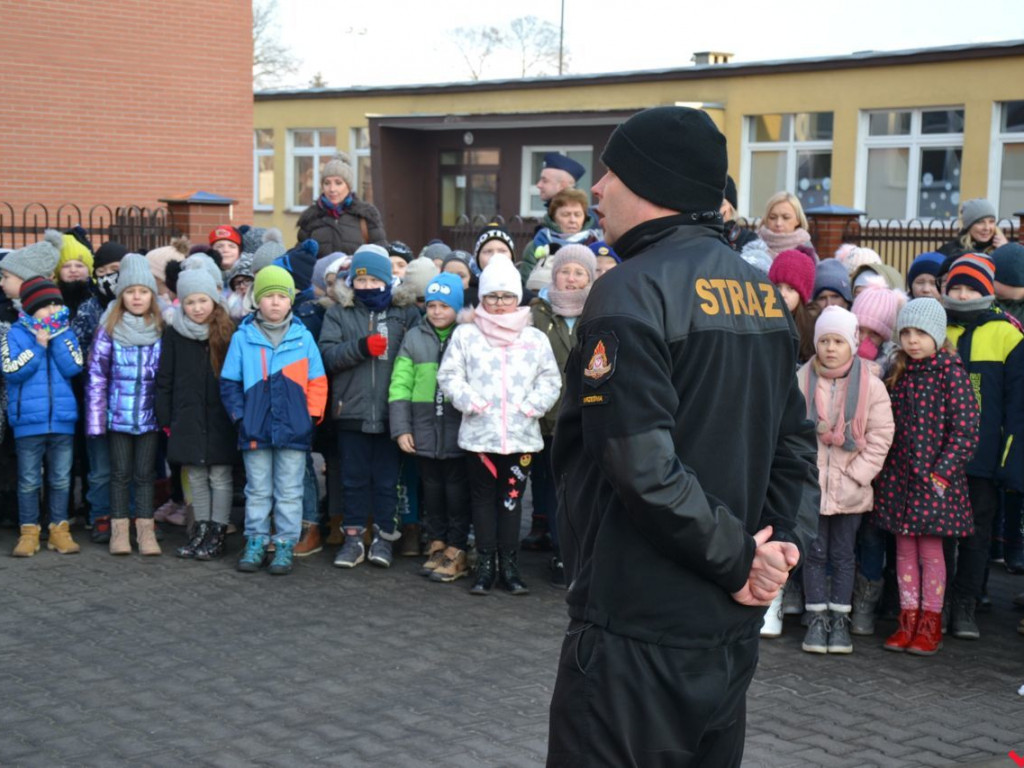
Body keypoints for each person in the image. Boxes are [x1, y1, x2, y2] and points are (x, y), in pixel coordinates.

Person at [546, 106, 818, 767]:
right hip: (727, 631)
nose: (597, 189)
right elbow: (796, 445)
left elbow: (640, 464)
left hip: (636, 627)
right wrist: (781, 543)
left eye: (612, 172)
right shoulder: (759, 294)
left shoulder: (629, 293)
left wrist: (743, 559)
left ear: (653, 183)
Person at [437, 255, 560, 596]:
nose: (500, 303)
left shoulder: (534, 338)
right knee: (481, 501)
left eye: (507, 296)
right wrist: (472, 403)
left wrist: (531, 407)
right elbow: (449, 375)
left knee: (511, 501)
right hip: (480, 435)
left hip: (521, 436)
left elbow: (550, 379)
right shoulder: (466, 335)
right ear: (482, 297)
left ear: (517, 297)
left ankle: (510, 565)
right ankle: (485, 565)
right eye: (492, 296)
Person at [873, 298, 979, 655]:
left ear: (937, 334)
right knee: (904, 551)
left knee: (932, 553)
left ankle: (930, 622)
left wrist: (941, 474)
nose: (912, 340)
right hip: (900, 481)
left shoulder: (951, 373)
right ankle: (908, 619)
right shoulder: (899, 372)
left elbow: (965, 430)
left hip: (935, 484)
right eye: (906, 333)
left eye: (920, 333)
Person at [797, 307, 894, 654]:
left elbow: (881, 434)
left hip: (850, 488)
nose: (830, 348)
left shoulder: (871, 386)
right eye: (824, 340)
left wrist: (858, 475)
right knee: (813, 553)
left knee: (842, 554)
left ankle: (839, 619)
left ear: (851, 344)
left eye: (838, 341)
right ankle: (816, 617)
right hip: (811, 487)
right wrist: (802, 472)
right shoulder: (801, 380)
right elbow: (788, 430)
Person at [220, 266, 328, 575]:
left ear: (291, 300)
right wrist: (240, 418)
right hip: (254, 428)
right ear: (257, 300)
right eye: (269, 296)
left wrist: (309, 417)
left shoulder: (303, 338)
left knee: (290, 491)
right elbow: (229, 383)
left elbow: (317, 381)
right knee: (257, 489)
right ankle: (255, 540)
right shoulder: (243, 338)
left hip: (294, 429)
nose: (276, 302)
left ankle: (284, 544)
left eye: (282, 296)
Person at [318, 245, 420, 569]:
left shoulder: (405, 313)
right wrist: (361, 348)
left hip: (392, 413)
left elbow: (415, 357)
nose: (367, 287)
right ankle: (353, 539)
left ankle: (384, 539)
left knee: (388, 481)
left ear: (387, 280)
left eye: (374, 280)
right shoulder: (339, 312)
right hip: (351, 410)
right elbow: (327, 356)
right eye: (360, 281)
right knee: (353, 480)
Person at [941, 253, 1024, 639]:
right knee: (938, 534)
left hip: (984, 458)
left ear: (987, 291)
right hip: (938, 456)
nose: (961, 295)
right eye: (955, 287)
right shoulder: (937, 327)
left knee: (977, 536)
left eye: (971, 289)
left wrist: (1009, 457)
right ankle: (937, 602)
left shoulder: (1008, 334)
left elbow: (1017, 404)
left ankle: (966, 604)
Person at [388, 272, 471, 582]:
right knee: (432, 491)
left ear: (457, 307)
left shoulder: (468, 336)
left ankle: (457, 547)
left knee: (457, 493)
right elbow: (400, 385)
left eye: (444, 306)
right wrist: (402, 428)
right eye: (432, 305)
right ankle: (436, 542)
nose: (437, 312)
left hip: (458, 430)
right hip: (423, 430)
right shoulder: (414, 337)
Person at [156, 267, 239, 560]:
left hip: (221, 418)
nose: (197, 308)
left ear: (214, 300)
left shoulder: (228, 331)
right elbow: (165, 379)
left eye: (202, 300)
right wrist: (166, 419)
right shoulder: (174, 334)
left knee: (220, 475)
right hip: (187, 417)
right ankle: (200, 529)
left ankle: (217, 531)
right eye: (190, 302)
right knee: (196, 475)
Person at [85, 253, 164, 557]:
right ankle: (119, 531)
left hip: (149, 419)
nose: (137, 297)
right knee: (119, 474)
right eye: (130, 291)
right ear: (121, 296)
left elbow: (166, 377)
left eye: (143, 291)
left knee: (144, 475)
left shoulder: (161, 329)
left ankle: (145, 531)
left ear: (152, 295)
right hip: (117, 418)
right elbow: (96, 378)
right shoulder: (109, 330)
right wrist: (96, 421)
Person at [4, 277, 84, 557]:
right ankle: (29, 531)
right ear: (30, 308)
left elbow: (74, 366)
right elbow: (12, 369)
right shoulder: (14, 334)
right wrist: (38, 346)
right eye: (45, 305)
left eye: (56, 304)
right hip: (28, 422)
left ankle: (59, 530)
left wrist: (57, 337)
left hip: (62, 420)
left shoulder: (66, 333)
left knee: (61, 479)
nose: (52, 310)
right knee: (28, 481)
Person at [296, 153, 387, 256]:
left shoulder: (366, 215)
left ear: (348, 186)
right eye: (327, 183)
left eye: (338, 183)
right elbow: (300, 256)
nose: (332, 189)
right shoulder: (310, 218)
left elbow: (381, 254)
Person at [521, 189, 600, 284]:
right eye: (566, 215)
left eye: (578, 215)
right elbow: (527, 281)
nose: (573, 220)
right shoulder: (537, 244)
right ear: (553, 217)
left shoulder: (595, 243)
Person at [768, 248, 818, 363]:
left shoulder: (812, 330)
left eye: (791, 289)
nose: (782, 294)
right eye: (777, 286)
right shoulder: (759, 322)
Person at [741, 191, 818, 264]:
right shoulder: (753, 243)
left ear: (798, 220)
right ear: (766, 219)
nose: (778, 223)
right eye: (772, 217)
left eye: (786, 217)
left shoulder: (806, 247)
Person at [937, 198, 1008, 259]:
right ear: (969, 225)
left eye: (991, 222)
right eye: (980, 222)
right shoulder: (951, 250)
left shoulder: (1002, 248)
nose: (987, 228)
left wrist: (1006, 250)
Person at [721, 175, 758, 252]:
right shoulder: (698, 234)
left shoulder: (748, 239)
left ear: (731, 207)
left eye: (721, 204)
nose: (716, 209)